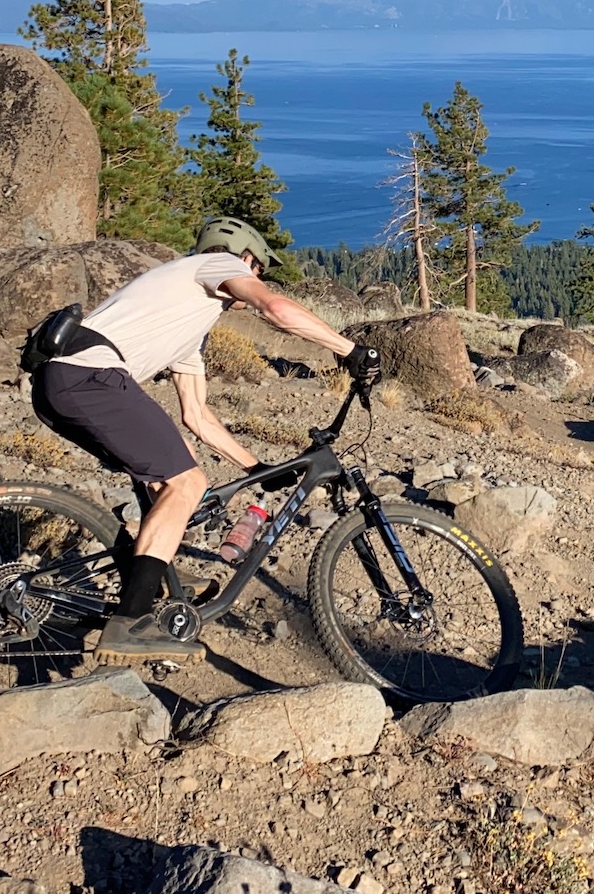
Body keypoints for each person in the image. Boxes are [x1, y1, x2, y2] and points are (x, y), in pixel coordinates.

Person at [31, 217, 364, 664]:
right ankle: (129, 625)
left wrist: (255, 469)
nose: (255, 277)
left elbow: (197, 415)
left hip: (64, 381)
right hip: (89, 377)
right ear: (244, 257)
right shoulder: (214, 265)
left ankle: (151, 579)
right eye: (258, 268)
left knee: (170, 476)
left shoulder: (190, 320)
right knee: (184, 483)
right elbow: (276, 310)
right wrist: (348, 350)